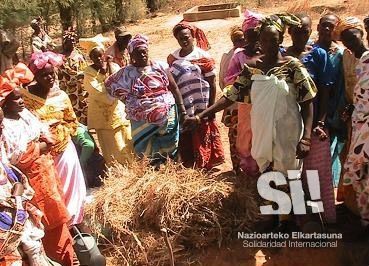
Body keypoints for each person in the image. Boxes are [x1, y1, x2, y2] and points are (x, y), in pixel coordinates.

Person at [184, 14, 316, 231]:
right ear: (259, 42)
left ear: (280, 40)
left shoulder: (293, 67)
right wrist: (200, 115)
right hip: (262, 130)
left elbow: (308, 101)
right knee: (267, 170)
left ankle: (286, 220)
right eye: (264, 40)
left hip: (288, 131)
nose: (268, 44)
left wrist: (307, 138)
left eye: (273, 40)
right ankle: (271, 216)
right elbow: (230, 96)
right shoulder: (252, 68)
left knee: (288, 172)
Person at [0, 65, 74, 265]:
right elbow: (17, 159)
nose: (22, 101)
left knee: (59, 218)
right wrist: (40, 147)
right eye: (15, 99)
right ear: (4, 105)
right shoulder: (6, 128)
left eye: (21, 97)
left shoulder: (25, 115)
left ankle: (69, 257)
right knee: (46, 226)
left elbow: (42, 130)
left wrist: (45, 141)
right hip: (32, 184)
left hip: (48, 175)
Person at [21, 51, 86, 227]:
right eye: (44, 75)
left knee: (71, 188)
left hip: (64, 151)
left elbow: (72, 121)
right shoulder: (25, 98)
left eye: (52, 73)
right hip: (42, 154)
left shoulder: (62, 96)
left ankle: (75, 224)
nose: (50, 78)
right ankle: (60, 224)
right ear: (35, 76)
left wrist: (59, 134)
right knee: (51, 190)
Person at [105, 34, 187, 165]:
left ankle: (172, 172)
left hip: (167, 115)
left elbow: (174, 87)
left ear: (148, 51)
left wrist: (182, 110)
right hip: (141, 120)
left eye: (144, 52)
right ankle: (153, 175)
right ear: (132, 56)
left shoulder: (160, 66)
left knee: (170, 148)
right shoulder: (127, 72)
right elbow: (110, 85)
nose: (142, 55)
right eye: (138, 53)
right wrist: (129, 102)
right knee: (145, 152)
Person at [286, 13, 336, 224]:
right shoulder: (280, 55)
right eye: (296, 31)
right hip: (288, 123)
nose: (300, 35)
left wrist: (321, 123)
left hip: (314, 123)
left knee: (317, 172)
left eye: (305, 31)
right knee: (293, 172)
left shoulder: (319, 55)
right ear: (289, 32)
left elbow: (325, 92)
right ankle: (300, 218)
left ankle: (323, 218)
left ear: (310, 31)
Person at [168, 22, 225, 170]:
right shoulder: (173, 57)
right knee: (187, 132)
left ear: (193, 36)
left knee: (202, 130)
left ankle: (206, 163)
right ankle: (192, 163)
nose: (184, 40)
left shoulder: (203, 56)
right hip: (184, 102)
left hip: (201, 103)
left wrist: (211, 108)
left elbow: (212, 82)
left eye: (186, 37)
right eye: (180, 38)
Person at [80, 34, 134, 165]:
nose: (98, 58)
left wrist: (109, 65)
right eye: (94, 56)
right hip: (102, 114)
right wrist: (113, 91)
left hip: (118, 110)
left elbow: (119, 81)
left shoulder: (113, 66)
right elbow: (97, 91)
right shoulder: (88, 74)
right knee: (111, 143)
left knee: (126, 138)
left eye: (100, 55)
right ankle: (116, 168)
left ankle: (132, 164)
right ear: (90, 58)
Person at [338, 17, 369, 227]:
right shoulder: (355, 60)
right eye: (345, 40)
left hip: (366, 126)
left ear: (362, 33)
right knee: (359, 171)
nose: (350, 43)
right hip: (357, 123)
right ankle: (363, 216)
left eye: (353, 37)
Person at [225, 10, 263, 176]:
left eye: (256, 32)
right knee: (245, 143)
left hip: (267, 106)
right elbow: (229, 81)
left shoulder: (272, 51)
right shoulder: (238, 55)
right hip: (245, 107)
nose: (252, 37)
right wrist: (248, 79)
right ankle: (246, 181)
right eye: (249, 33)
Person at [219, 25, 246, 173]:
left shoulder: (232, 55)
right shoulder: (234, 55)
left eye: (241, 40)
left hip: (235, 103)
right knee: (236, 137)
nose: (239, 44)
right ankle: (238, 169)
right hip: (234, 104)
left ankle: (242, 168)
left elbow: (222, 81)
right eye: (237, 40)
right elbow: (223, 80)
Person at [59, 29, 88, 125]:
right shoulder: (62, 57)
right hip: (70, 88)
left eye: (73, 41)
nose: (72, 43)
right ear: (65, 43)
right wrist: (80, 74)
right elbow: (67, 72)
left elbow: (85, 65)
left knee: (84, 106)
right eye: (69, 41)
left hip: (82, 87)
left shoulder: (78, 52)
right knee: (74, 108)